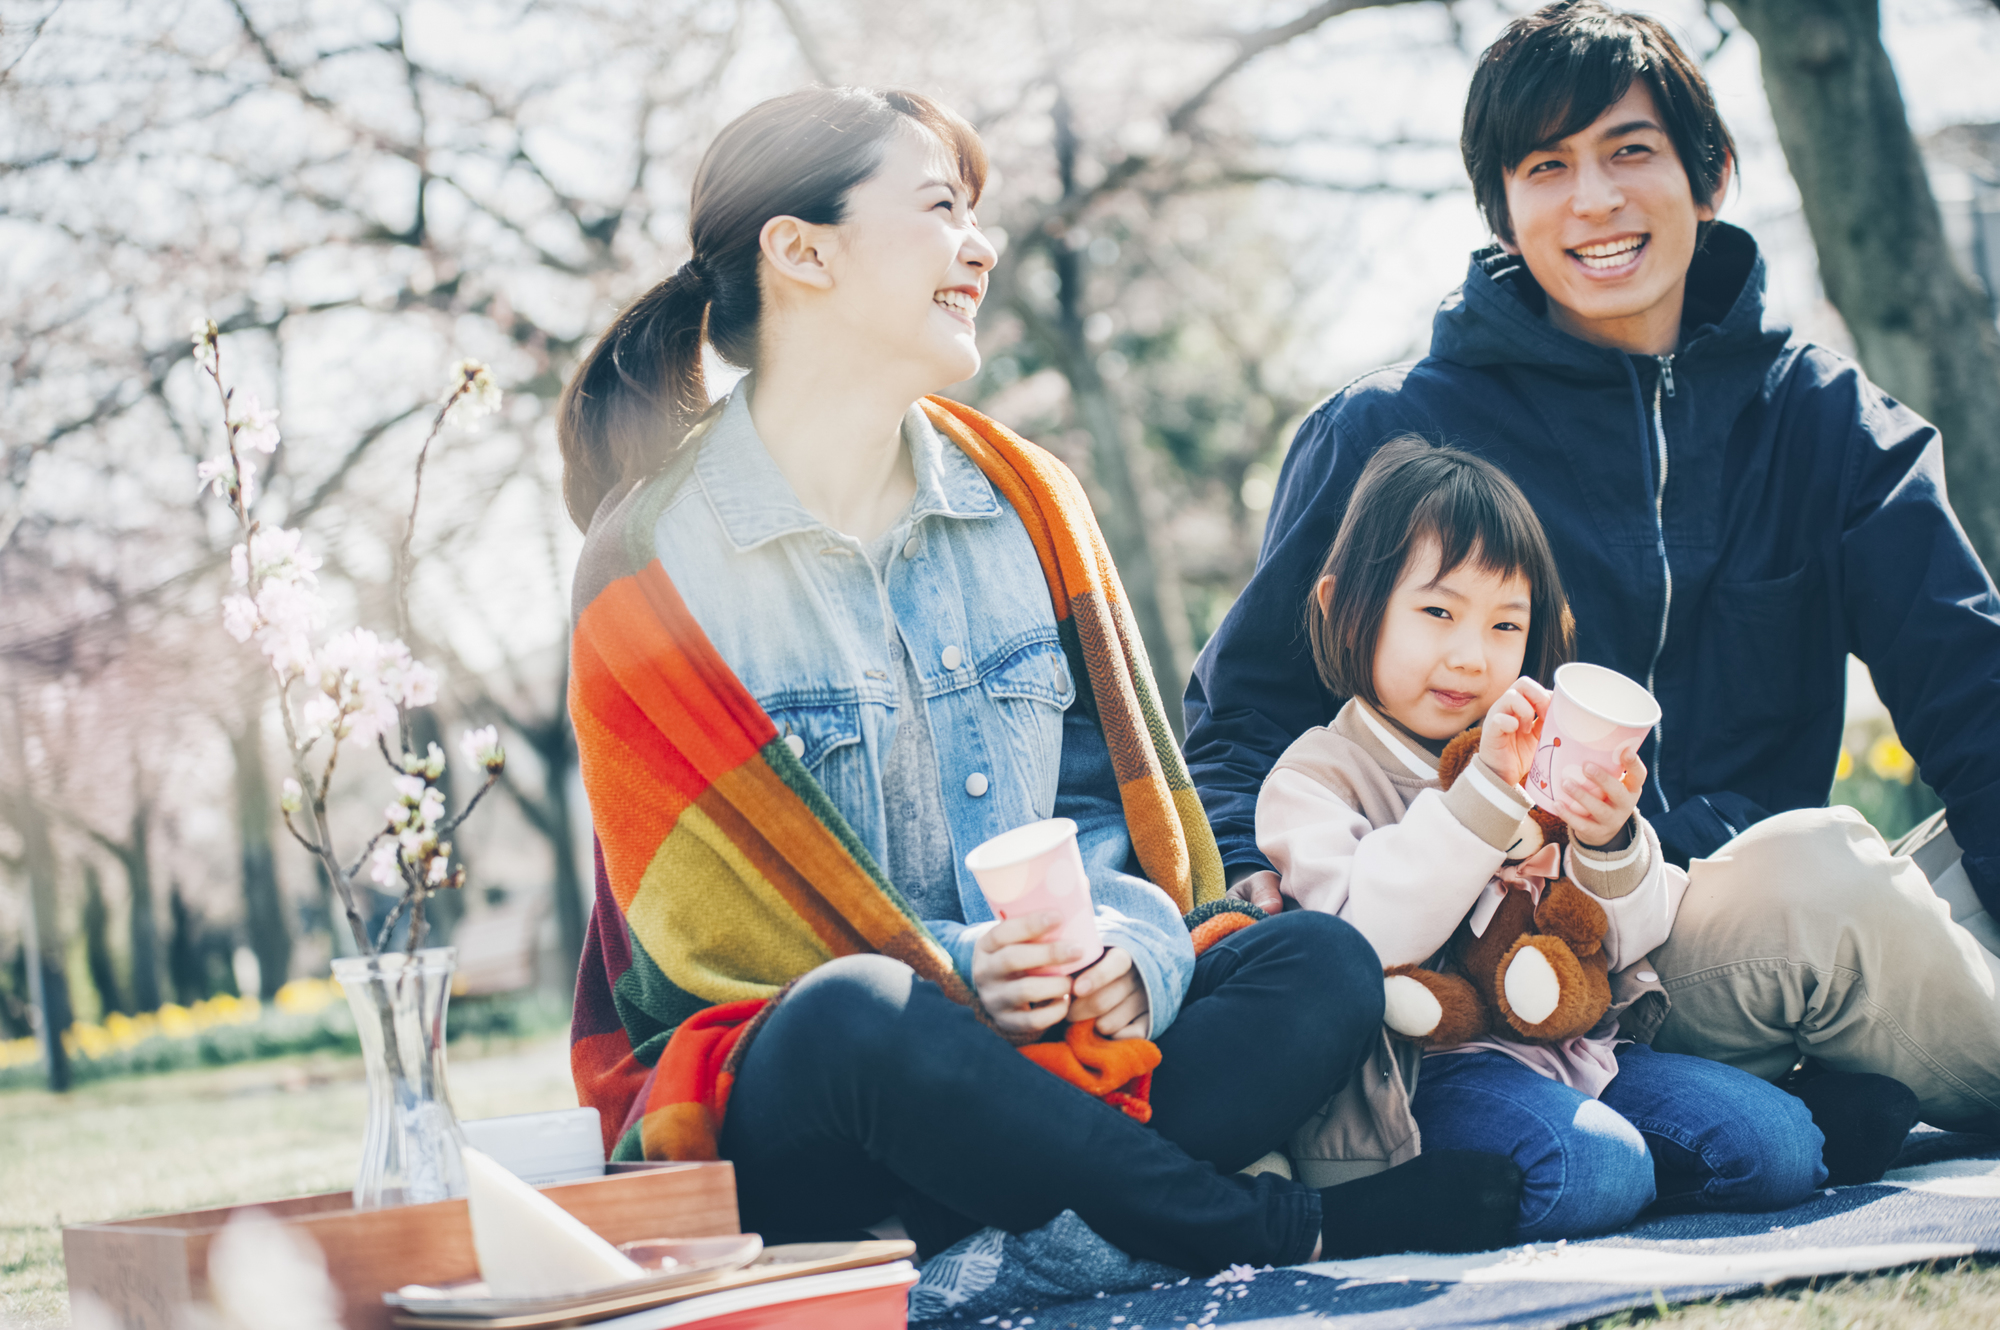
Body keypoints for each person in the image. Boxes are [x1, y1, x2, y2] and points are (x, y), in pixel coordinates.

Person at [558, 86, 1522, 1276]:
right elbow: (704, 951)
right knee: (859, 1017)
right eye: (938, 207)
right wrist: (962, 973)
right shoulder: (649, 562)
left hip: (1058, 1064)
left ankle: (992, 1242)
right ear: (801, 250)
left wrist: (1128, 956)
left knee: (1315, 961)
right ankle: (1259, 1228)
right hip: (813, 1106)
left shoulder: (1029, 502)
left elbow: (1120, 832)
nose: (982, 243)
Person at [1187, 0, 1985, 1152]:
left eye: (1628, 152)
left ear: (1706, 175)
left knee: (1925, 855)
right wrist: (1251, 923)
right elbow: (1241, 712)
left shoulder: (1823, 420)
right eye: (1544, 166)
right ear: (1502, 210)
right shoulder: (1393, 430)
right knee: (1822, 868)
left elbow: (1971, 690)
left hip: (1723, 918)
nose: (1593, 202)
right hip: (1555, 955)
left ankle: (1824, 1089)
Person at [1257, 436, 1852, 1236]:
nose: (1471, 657)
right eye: (1437, 611)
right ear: (1341, 605)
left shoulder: (1543, 753)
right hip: (1425, 1080)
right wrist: (1485, 797)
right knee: (1596, 1168)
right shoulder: (1317, 777)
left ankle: (1714, 1149)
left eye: (1507, 625)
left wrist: (1610, 842)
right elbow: (1371, 938)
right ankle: (1511, 1188)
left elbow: (1634, 941)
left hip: (1579, 1050)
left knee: (1778, 1149)